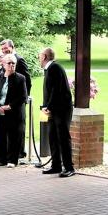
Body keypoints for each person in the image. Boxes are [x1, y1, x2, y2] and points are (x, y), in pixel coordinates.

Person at [0, 39, 32, 158]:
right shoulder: (3, 62)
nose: (4, 51)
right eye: (3, 49)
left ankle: (19, 152)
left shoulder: (19, 60)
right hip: (4, 100)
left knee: (18, 128)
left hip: (17, 100)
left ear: (12, 47)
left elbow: (27, 79)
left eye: (6, 48)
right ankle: (6, 154)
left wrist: (24, 98)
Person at [40, 47, 75, 177]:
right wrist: (45, 106)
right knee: (53, 137)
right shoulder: (49, 69)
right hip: (53, 109)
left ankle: (69, 167)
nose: (39, 58)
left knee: (63, 138)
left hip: (61, 109)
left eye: (40, 56)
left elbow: (57, 90)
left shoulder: (55, 68)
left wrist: (48, 107)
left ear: (44, 56)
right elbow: (49, 91)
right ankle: (56, 165)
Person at [0, 54, 28, 168]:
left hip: (13, 112)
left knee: (13, 137)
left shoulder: (20, 78)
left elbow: (22, 97)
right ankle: (0, 159)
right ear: (3, 64)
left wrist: (10, 106)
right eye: (9, 63)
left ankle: (12, 160)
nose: (11, 65)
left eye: (13, 63)